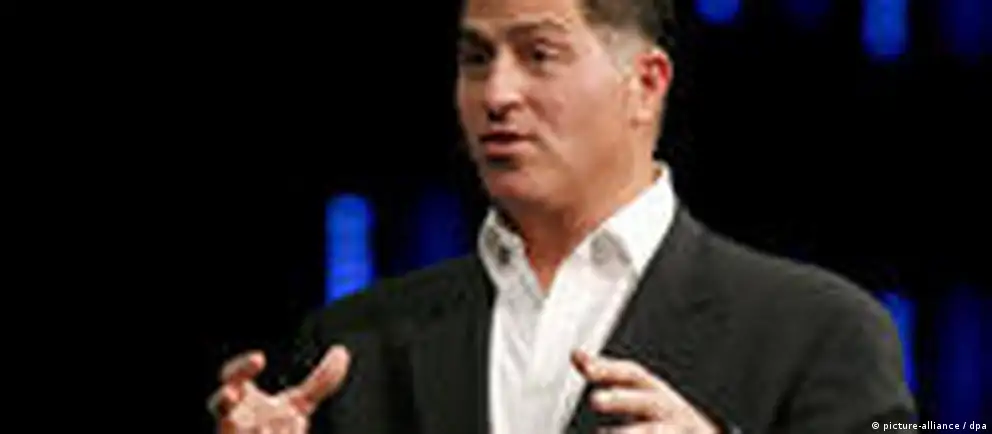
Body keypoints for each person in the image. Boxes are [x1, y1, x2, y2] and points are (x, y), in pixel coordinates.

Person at [207, 0, 918, 431]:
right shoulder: (352, 345)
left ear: (645, 85)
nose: (497, 94)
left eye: (538, 55)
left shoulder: (823, 331)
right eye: (476, 58)